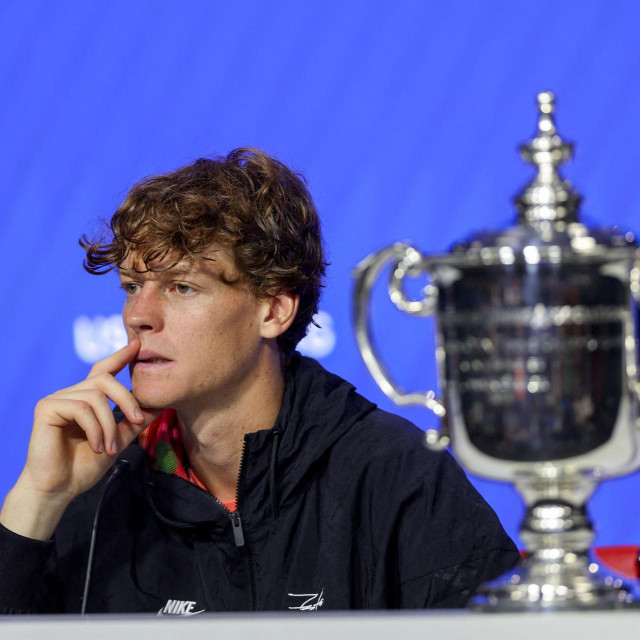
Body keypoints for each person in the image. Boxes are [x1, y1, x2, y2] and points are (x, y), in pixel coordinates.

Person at [0, 149, 518, 614]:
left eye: (181, 287)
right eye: (133, 286)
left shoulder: (396, 476)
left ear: (272, 311)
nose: (139, 315)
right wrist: (41, 498)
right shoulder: (101, 485)